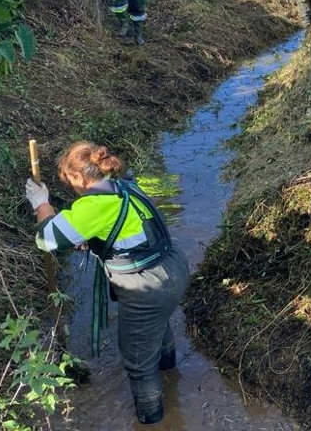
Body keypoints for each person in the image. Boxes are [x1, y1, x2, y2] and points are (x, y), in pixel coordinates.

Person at [25, 142, 189, 425]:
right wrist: (95, 240)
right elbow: (131, 230)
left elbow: (48, 239)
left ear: (79, 178)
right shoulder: (124, 185)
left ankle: (154, 420)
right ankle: (170, 374)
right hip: (172, 267)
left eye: (69, 181)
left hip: (146, 286)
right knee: (157, 328)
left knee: (138, 361)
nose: (71, 188)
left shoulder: (93, 206)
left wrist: (41, 203)